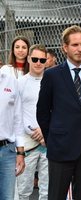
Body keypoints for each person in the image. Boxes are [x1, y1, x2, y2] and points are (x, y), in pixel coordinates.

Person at [36, 25, 81, 200]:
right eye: (75, 45)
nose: (80, 49)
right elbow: (42, 111)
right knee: (56, 196)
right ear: (65, 47)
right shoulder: (52, 75)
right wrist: (52, 139)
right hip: (60, 148)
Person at [17, 44, 48, 200]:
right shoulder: (20, 83)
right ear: (28, 58)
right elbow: (16, 114)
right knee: (23, 189)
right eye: (35, 59)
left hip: (48, 141)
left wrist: (45, 132)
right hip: (27, 143)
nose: (38, 63)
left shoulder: (52, 82)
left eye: (42, 60)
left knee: (47, 190)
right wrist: (31, 132)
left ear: (46, 61)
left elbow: (57, 110)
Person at [0, 68, 25, 199]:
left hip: (7, 151)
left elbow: (18, 118)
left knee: (7, 197)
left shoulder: (11, 81)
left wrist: (20, 152)